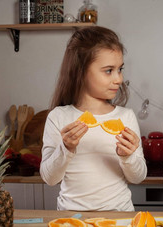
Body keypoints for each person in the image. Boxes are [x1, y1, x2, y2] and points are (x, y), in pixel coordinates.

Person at [40, 26, 147, 211]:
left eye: (120, 69)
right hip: (72, 218)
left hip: (119, 218)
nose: (119, 79)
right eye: (108, 70)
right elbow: (50, 178)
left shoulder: (125, 117)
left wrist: (128, 156)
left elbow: (137, 177)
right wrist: (66, 149)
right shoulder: (58, 117)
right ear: (80, 71)